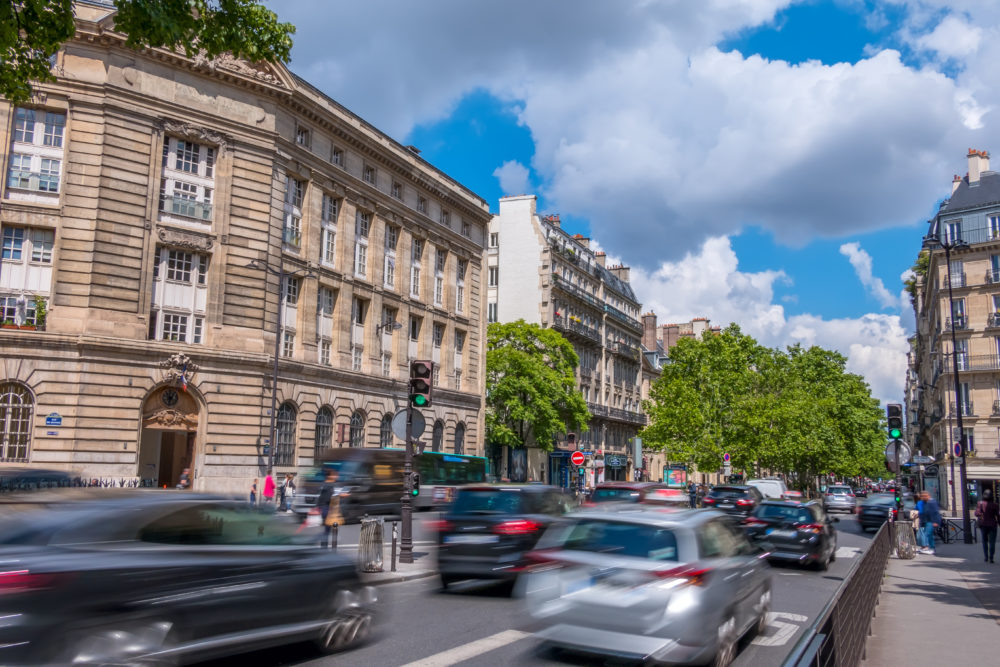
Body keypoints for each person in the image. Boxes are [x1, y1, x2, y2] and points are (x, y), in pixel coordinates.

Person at [316, 468, 345, 549]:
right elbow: (329, 498)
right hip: (326, 509)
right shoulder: (329, 485)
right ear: (330, 476)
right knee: (329, 529)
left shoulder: (325, 484)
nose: (336, 476)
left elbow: (321, 498)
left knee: (328, 529)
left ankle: (325, 547)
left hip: (324, 508)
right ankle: (325, 548)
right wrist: (341, 495)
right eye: (335, 475)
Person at [974, 489, 999, 563]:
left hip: (983, 524)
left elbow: (976, 513)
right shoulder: (995, 505)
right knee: (992, 542)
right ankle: (991, 557)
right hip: (993, 524)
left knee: (984, 541)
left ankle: (986, 557)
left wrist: (981, 514)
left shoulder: (980, 503)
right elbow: (998, 515)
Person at [918, 491, 941, 556]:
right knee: (928, 534)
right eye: (922, 496)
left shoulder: (932, 502)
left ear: (928, 496)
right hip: (927, 520)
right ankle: (929, 548)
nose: (922, 497)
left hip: (931, 521)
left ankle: (931, 548)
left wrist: (936, 521)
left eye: (924, 496)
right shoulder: (926, 502)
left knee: (928, 534)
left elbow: (936, 512)